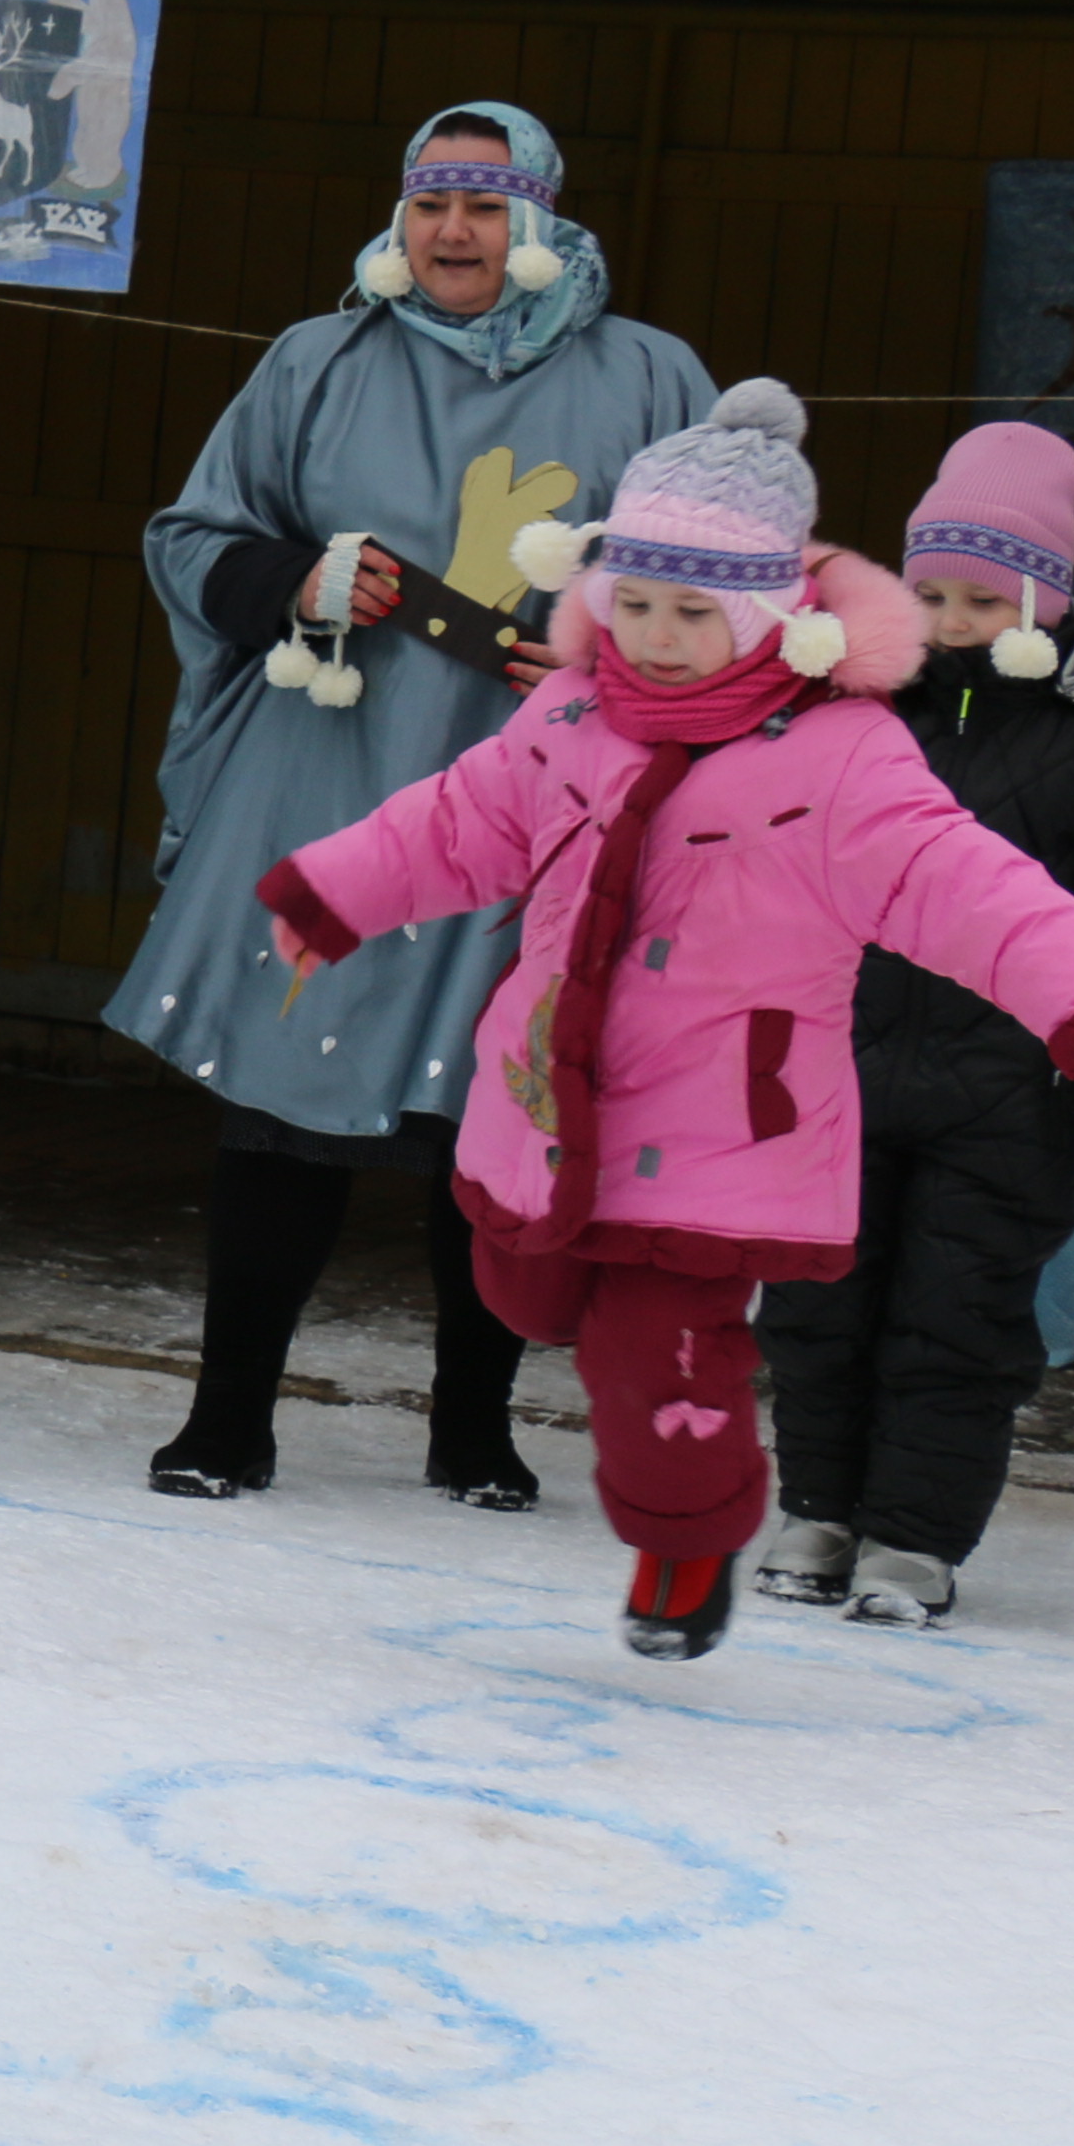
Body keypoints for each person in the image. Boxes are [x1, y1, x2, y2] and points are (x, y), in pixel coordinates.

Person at [256, 384, 1074, 1663]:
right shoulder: (572, 714)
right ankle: (650, 1407)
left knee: (660, 1362)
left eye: (695, 613)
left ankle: (688, 1550)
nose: (661, 637)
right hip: (547, 1101)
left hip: (721, 1125)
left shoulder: (842, 755)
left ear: (768, 613)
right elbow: (462, 819)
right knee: (522, 1286)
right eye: (634, 604)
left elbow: (974, 891)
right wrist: (333, 891)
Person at [119, 107, 714, 1510]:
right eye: (431, 203)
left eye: (487, 206)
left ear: (546, 221)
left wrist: (603, 644)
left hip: (533, 799)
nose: (453, 231)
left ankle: (473, 1429)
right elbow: (191, 537)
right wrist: (297, 584)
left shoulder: (653, 377)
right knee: (278, 1106)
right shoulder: (315, 362)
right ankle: (229, 1420)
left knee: (492, 1108)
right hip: (325, 776)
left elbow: (727, 583)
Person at [758, 424, 1074, 1626]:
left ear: (1046, 599)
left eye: (984, 596)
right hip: (839, 1068)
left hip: (1012, 1091)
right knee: (820, 1305)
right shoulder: (845, 703)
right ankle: (817, 1508)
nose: (953, 618)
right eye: (929, 593)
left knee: (957, 1317)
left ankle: (912, 1540)